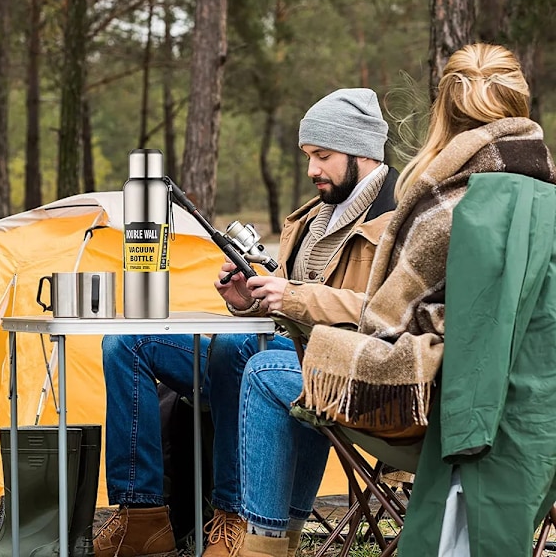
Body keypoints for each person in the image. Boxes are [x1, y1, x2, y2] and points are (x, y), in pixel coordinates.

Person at [245, 42, 555, 557]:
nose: (312, 170)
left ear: (444, 117)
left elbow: (387, 324)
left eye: (322, 155)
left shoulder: (450, 203)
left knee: (265, 371)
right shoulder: (542, 195)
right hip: (533, 422)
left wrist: (302, 310)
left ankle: (262, 543)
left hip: (433, 412)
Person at [94, 88, 399, 557]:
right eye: (308, 156)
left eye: (323, 155)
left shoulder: (398, 217)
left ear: (361, 152)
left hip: (348, 363)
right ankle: (142, 515)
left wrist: (291, 297)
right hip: (281, 347)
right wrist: (249, 299)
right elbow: (287, 301)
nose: (312, 169)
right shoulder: (312, 218)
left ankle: (235, 518)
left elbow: (389, 312)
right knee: (127, 341)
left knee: (236, 349)